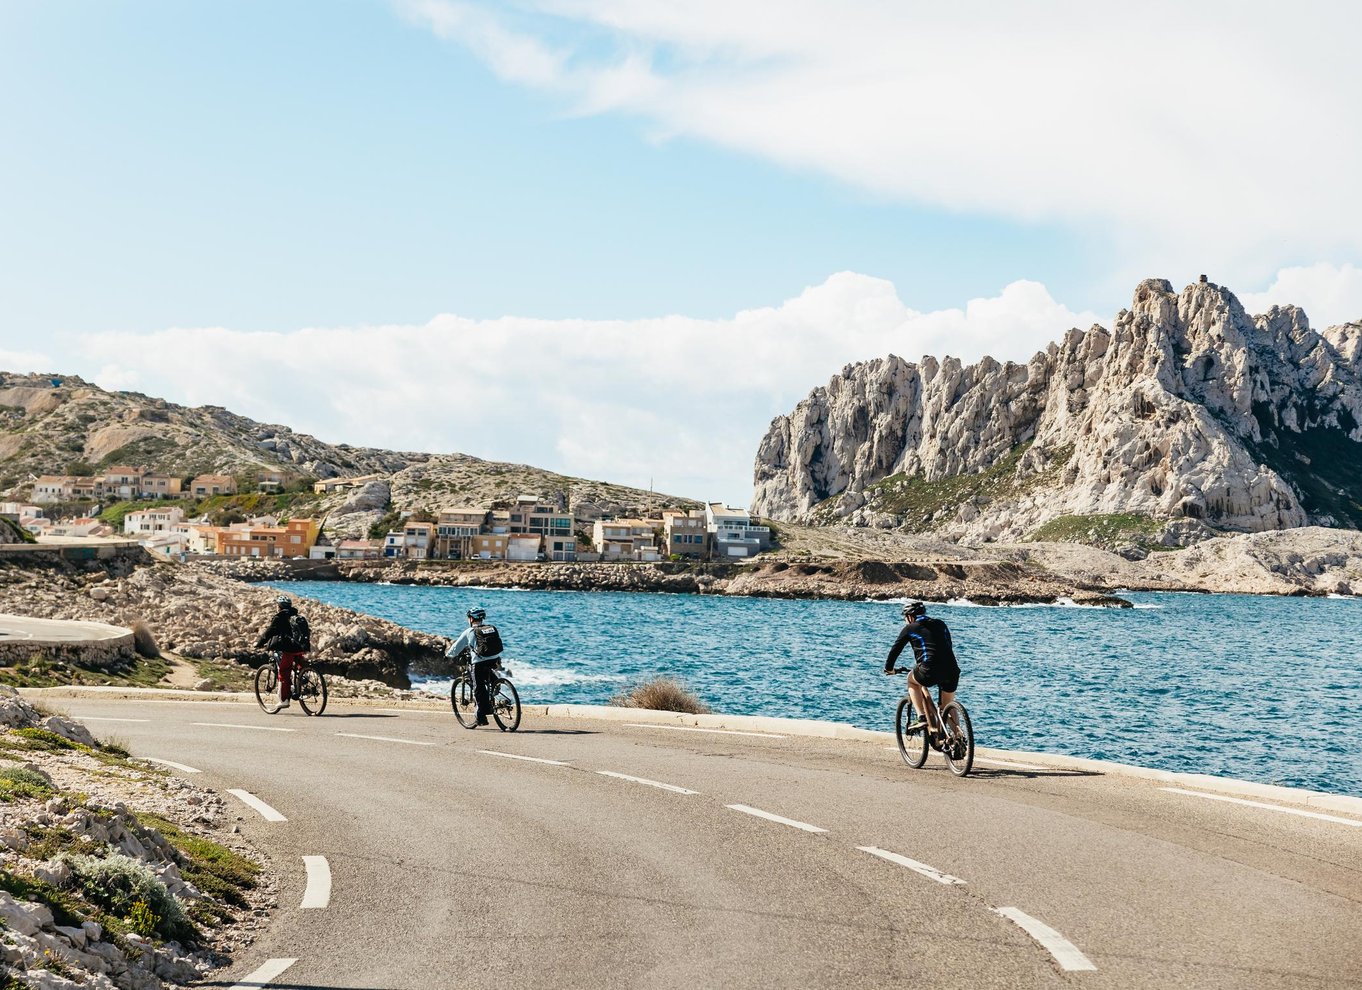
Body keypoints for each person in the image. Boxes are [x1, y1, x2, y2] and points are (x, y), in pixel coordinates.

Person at [884, 601, 960, 743]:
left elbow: (895, 650)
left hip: (929, 670)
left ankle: (921, 717)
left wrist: (889, 669)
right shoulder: (941, 624)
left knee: (911, 680)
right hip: (952, 669)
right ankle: (958, 737)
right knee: (947, 706)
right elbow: (948, 645)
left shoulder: (910, 628)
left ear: (910, 617)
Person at [445, 606, 504, 726]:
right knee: (488, 674)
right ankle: (496, 685)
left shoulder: (469, 632)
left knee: (478, 687)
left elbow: (456, 648)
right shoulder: (490, 628)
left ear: (471, 619)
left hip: (479, 662)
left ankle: (481, 717)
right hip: (494, 659)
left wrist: (448, 656)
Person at [255, 595, 307, 709]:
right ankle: (305, 680)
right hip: (300, 647)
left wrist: (259, 643)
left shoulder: (279, 617)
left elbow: (269, 632)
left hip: (288, 648)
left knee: (283, 671)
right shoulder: (296, 615)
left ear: (279, 606)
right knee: (300, 665)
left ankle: (284, 700)